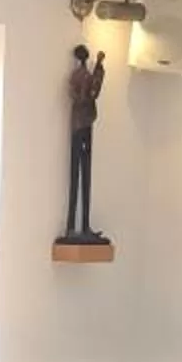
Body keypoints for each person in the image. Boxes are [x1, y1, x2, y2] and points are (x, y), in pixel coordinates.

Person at [64, 45, 106, 241]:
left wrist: (98, 68)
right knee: (80, 173)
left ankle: (79, 226)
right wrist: (98, 68)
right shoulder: (82, 76)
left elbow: (89, 92)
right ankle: (76, 226)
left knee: (81, 173)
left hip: (82, 124)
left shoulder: (78, 76)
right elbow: (90, 93)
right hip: (81, 125)